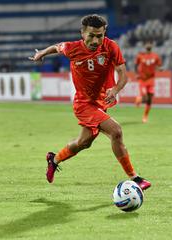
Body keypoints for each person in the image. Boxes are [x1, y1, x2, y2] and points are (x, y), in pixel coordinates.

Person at [29, 14, 151, 190]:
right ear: (82, 33)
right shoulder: (72, 48)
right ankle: (135, 178)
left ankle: (53, 159)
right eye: (91, 35)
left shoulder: (111, 47)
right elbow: (57, 47)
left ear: (104, 33)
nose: (95, 40)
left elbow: (123, 74)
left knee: (83, 142)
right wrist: (41, 53)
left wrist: (115, 89)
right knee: (116, 131)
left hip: (101, 103)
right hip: (83, 104)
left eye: (99, 35)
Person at [134, 40, 162, 123]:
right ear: (145, 46)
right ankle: (139, 99)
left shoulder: (155, 56)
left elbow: (158, 66)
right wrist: (137, 74)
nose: (148, 45)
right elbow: (136, 65)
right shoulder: (140, 56)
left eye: (150, 43)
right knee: (145, 98)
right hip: (142, 79)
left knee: (149, 99)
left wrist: (159, 69)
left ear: (152, 45)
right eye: (147, 43)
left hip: (151, 79)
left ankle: (145, 116)